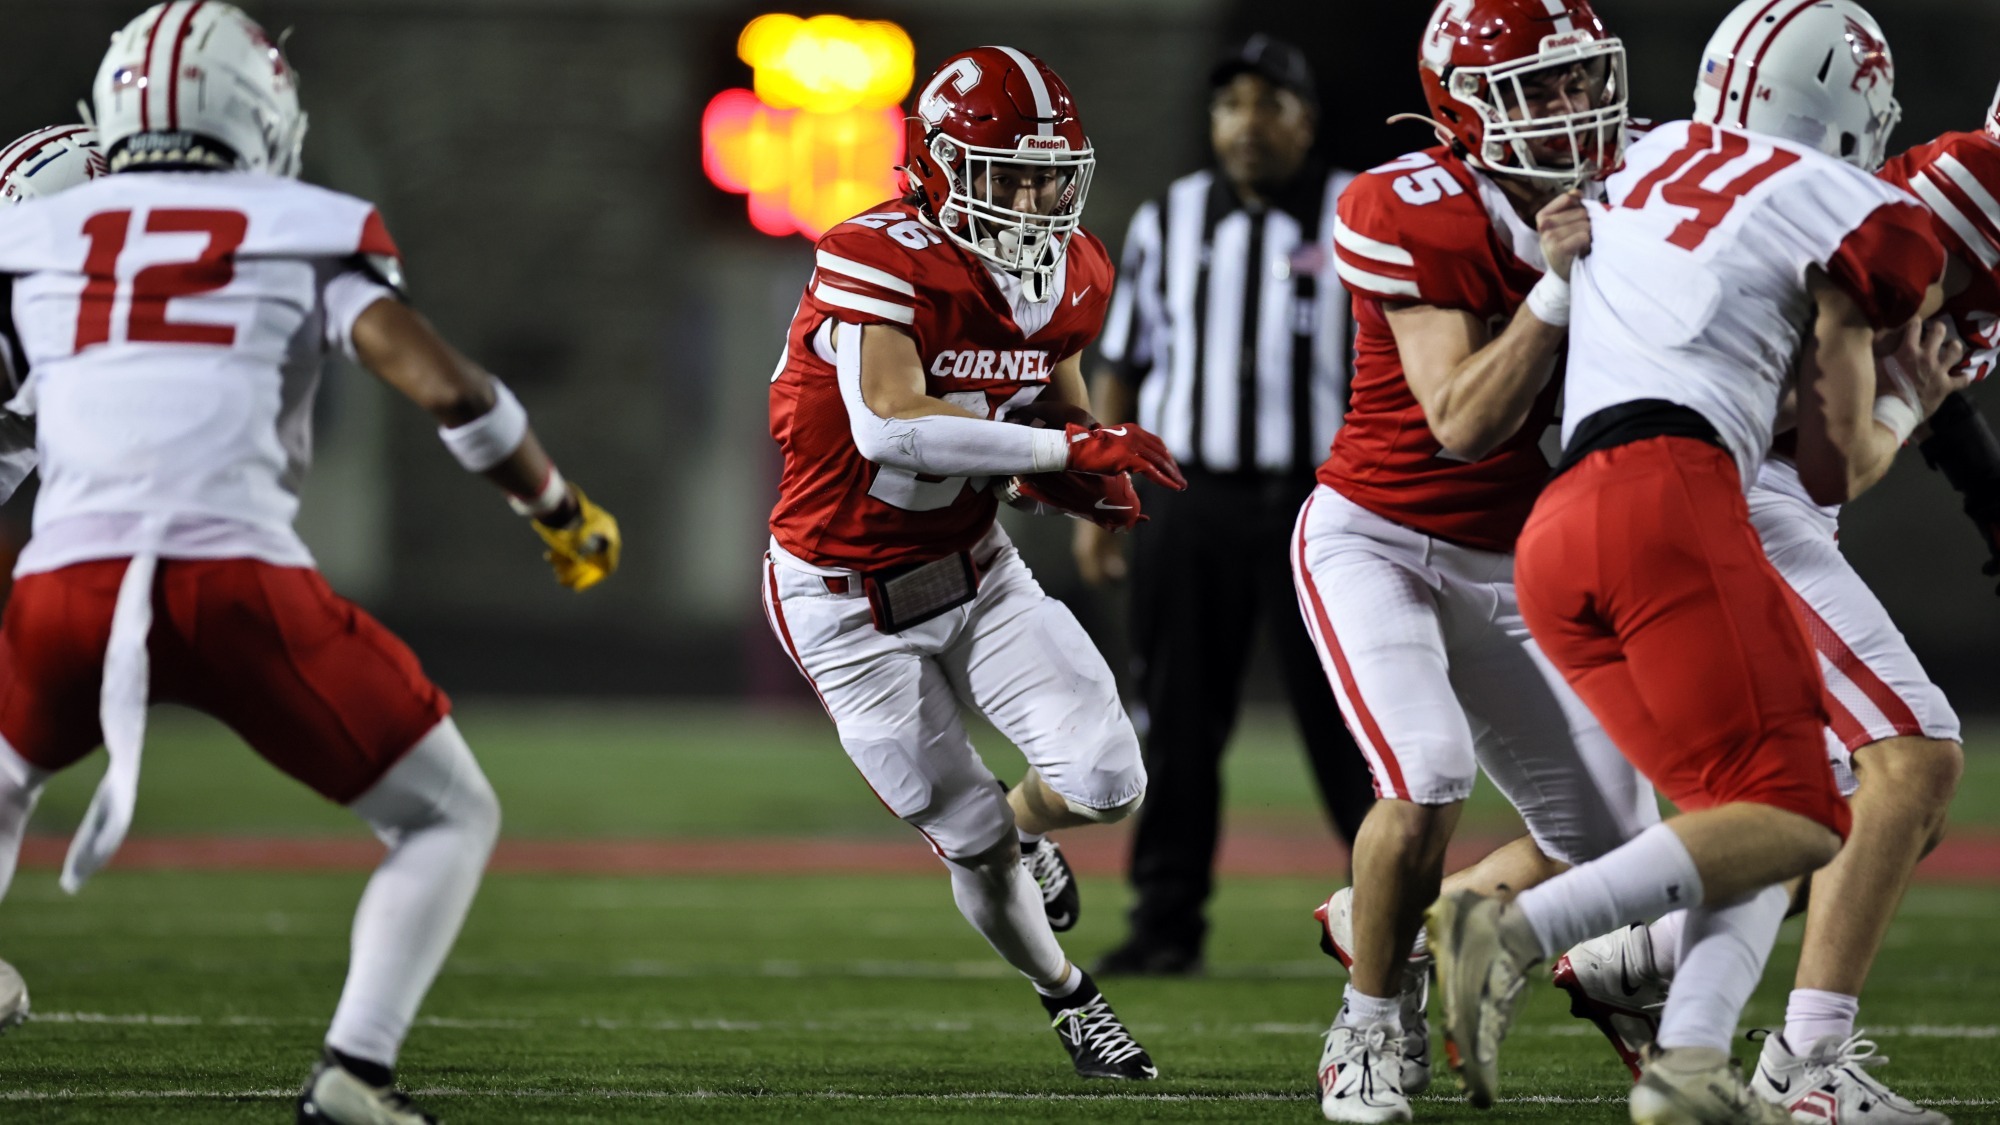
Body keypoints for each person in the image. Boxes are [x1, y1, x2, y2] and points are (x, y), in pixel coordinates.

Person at [0, 6, 623, 1123]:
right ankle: (355, 1076)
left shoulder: (39, 232)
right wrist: (556, 505)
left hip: (67, 591)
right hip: (236, 587)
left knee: (3, 781)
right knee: (448, 817)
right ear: (257, 108)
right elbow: (450, 390)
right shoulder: (299, 222)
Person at [1427, 4, 1965, 1123]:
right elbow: (1831, 468)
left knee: (1758, 807)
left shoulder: (1645, 154)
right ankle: (1509, 926)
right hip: (1673, 500)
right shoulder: (1857, 209)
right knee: (1811, 816)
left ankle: (1687, 1064)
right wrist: (1914, 395)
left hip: (1558, 523)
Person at [1554, 82, 2000, 1125]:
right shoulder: (1977, 183)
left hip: (1746, 483)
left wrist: (1975, 482)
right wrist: (1896, 413)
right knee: (1912, 759)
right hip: (1736, 484)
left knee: (1839, 810)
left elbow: (1913, 347)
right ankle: (1804, 1067)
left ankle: (1636, 955)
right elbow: (1838, 339)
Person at [761, 45, 1184, 1081]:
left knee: (1108, 777)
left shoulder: (1073, 269)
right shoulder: (877, 252)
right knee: (971, 840)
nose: (1034, 196)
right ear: (940, 166)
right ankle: (1069, 998)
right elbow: (891, 427)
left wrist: (1086, 471)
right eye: (1007, 172)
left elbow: (1056, 405)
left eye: (1049, 172)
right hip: (841, 597)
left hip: (972, 566)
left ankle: (1026, 832)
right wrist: (1059, 452)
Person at [1294, 1, 1658, 1119]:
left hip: (1517, 559)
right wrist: (1554, 286)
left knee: (1618, 851)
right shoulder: (1409, 203)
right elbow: (1458, 419)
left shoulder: (1637, 176)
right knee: (1427, 770)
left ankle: (1402, 914)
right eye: (1536, 90)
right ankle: (1366, 1027)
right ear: (1462, 107)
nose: (1571, 109)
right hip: (1378, 541)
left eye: (1577, 80)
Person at [1084, 34, 1375, 980]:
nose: (1247, 124)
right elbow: (1123, 364)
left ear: (1306, 119)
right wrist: (1102, 495)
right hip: (1190, 496)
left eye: (1269, 103)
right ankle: (1167, 922)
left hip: (1317, 503)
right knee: (1178, 717)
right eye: (1231, 105)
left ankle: (1388, 912)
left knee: (1349, 721)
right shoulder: (1171, 217)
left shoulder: (1356, 214)